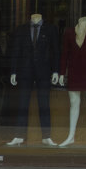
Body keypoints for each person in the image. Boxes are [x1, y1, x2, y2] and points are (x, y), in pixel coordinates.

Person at [5, 13, 59, 147]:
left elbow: (56, 51)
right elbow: (16, 51)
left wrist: (56, 71)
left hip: (44, 70)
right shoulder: (21, 29)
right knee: (23, 103)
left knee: (44, 104)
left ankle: (46, 136)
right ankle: (19, 135)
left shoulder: (51, 29)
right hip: (25, 70)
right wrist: (13, 71)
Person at [58, 16, 86, 148]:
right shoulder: (69, 32)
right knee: (74, 103)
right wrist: (62, 72)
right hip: (73, 71)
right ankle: (70, 136)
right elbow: (65, 53)